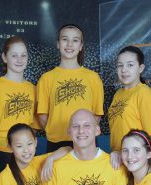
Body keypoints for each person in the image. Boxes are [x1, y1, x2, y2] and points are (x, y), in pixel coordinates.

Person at [0, 36, 39, 177]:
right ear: (4, 57)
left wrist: (23, 143)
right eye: (14, 55)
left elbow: (34, 124)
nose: (19, 59)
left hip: (24, 153)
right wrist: (4, 140)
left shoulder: (33, 90)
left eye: (23, 55)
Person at [37, 24, 104, 152]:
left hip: (86, 142)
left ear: (80, 46)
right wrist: (57, 132)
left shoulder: (93, 78)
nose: (69, 44)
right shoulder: (46, 78)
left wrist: (83, 134)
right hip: (56, 143)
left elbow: (96, 115)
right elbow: (42, 116)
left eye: (75, 40)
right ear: (58, 44)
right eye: (65, 39)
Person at [108, 46, 151, 169]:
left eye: (130, 65)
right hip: (119, 161)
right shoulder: (118, 94)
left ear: (141, 68)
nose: (124, 70)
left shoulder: (144, 93)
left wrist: (141, 160)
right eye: (120, 65)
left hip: (138, 163)